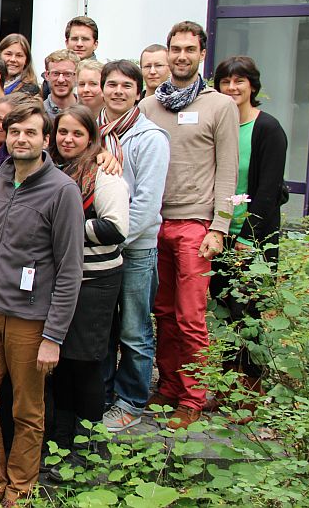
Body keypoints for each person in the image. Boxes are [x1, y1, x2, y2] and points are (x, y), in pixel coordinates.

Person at [0, 99, 84, 504]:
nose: (21, 138)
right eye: (14, 132)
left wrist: (53, 336)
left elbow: (70, 270)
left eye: (31, 132)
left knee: (27, 411)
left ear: (45, 139)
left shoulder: (62, 190)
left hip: (31, 321)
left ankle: (20, 488)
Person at [139, 21, 238, 429]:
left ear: (202, 54)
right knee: (160, 312)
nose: (181, 56)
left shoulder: (220, 106)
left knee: (191, 317)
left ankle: (193, 398)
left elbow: (228, 172)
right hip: (155, 224)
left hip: (196, 224)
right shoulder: (148, 107)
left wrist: (220, 227)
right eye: (174, 49)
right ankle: (169, 386)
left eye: (188, 49)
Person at [48, 106, 129, 456]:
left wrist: (62, 229)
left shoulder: (103, 173)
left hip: (95, 282)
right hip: (62, 280)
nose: (68, 139)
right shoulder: (51, 169)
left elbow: (116, 229)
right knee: (62, 362)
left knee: (85, 362)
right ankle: (62, 441)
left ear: (91, 138)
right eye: (62, 132)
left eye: (77, 134)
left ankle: (90, 445)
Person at [93, 61, 169, 433]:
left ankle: (131, 401)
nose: (118, 91)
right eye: (112, 84)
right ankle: (102, 395)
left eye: (127, 85)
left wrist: (113, 238)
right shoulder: (93, 131)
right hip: (98, 248)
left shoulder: (150, 138)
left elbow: (146, 202)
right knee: (102, 327)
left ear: (139, 92)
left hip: (135, 248)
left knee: (134, 329)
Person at [211, 55, 288, 393]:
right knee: (223, 310)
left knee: (248, 310)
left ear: (252, 86)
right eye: (226, 81)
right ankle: (228, 384)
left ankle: (251, 387)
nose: (232, 88)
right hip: (220, 232)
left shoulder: (267, 128)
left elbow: (269, 191)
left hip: (252, 236)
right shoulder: (218, 123)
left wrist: (246, 237)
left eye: (239, 81)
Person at [43, 50, 80, 117]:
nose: (61, 80)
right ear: (46, 76)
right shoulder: (38, 113)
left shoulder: (88, 110)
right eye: (55, 73)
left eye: (67, 74)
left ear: (77, 76)